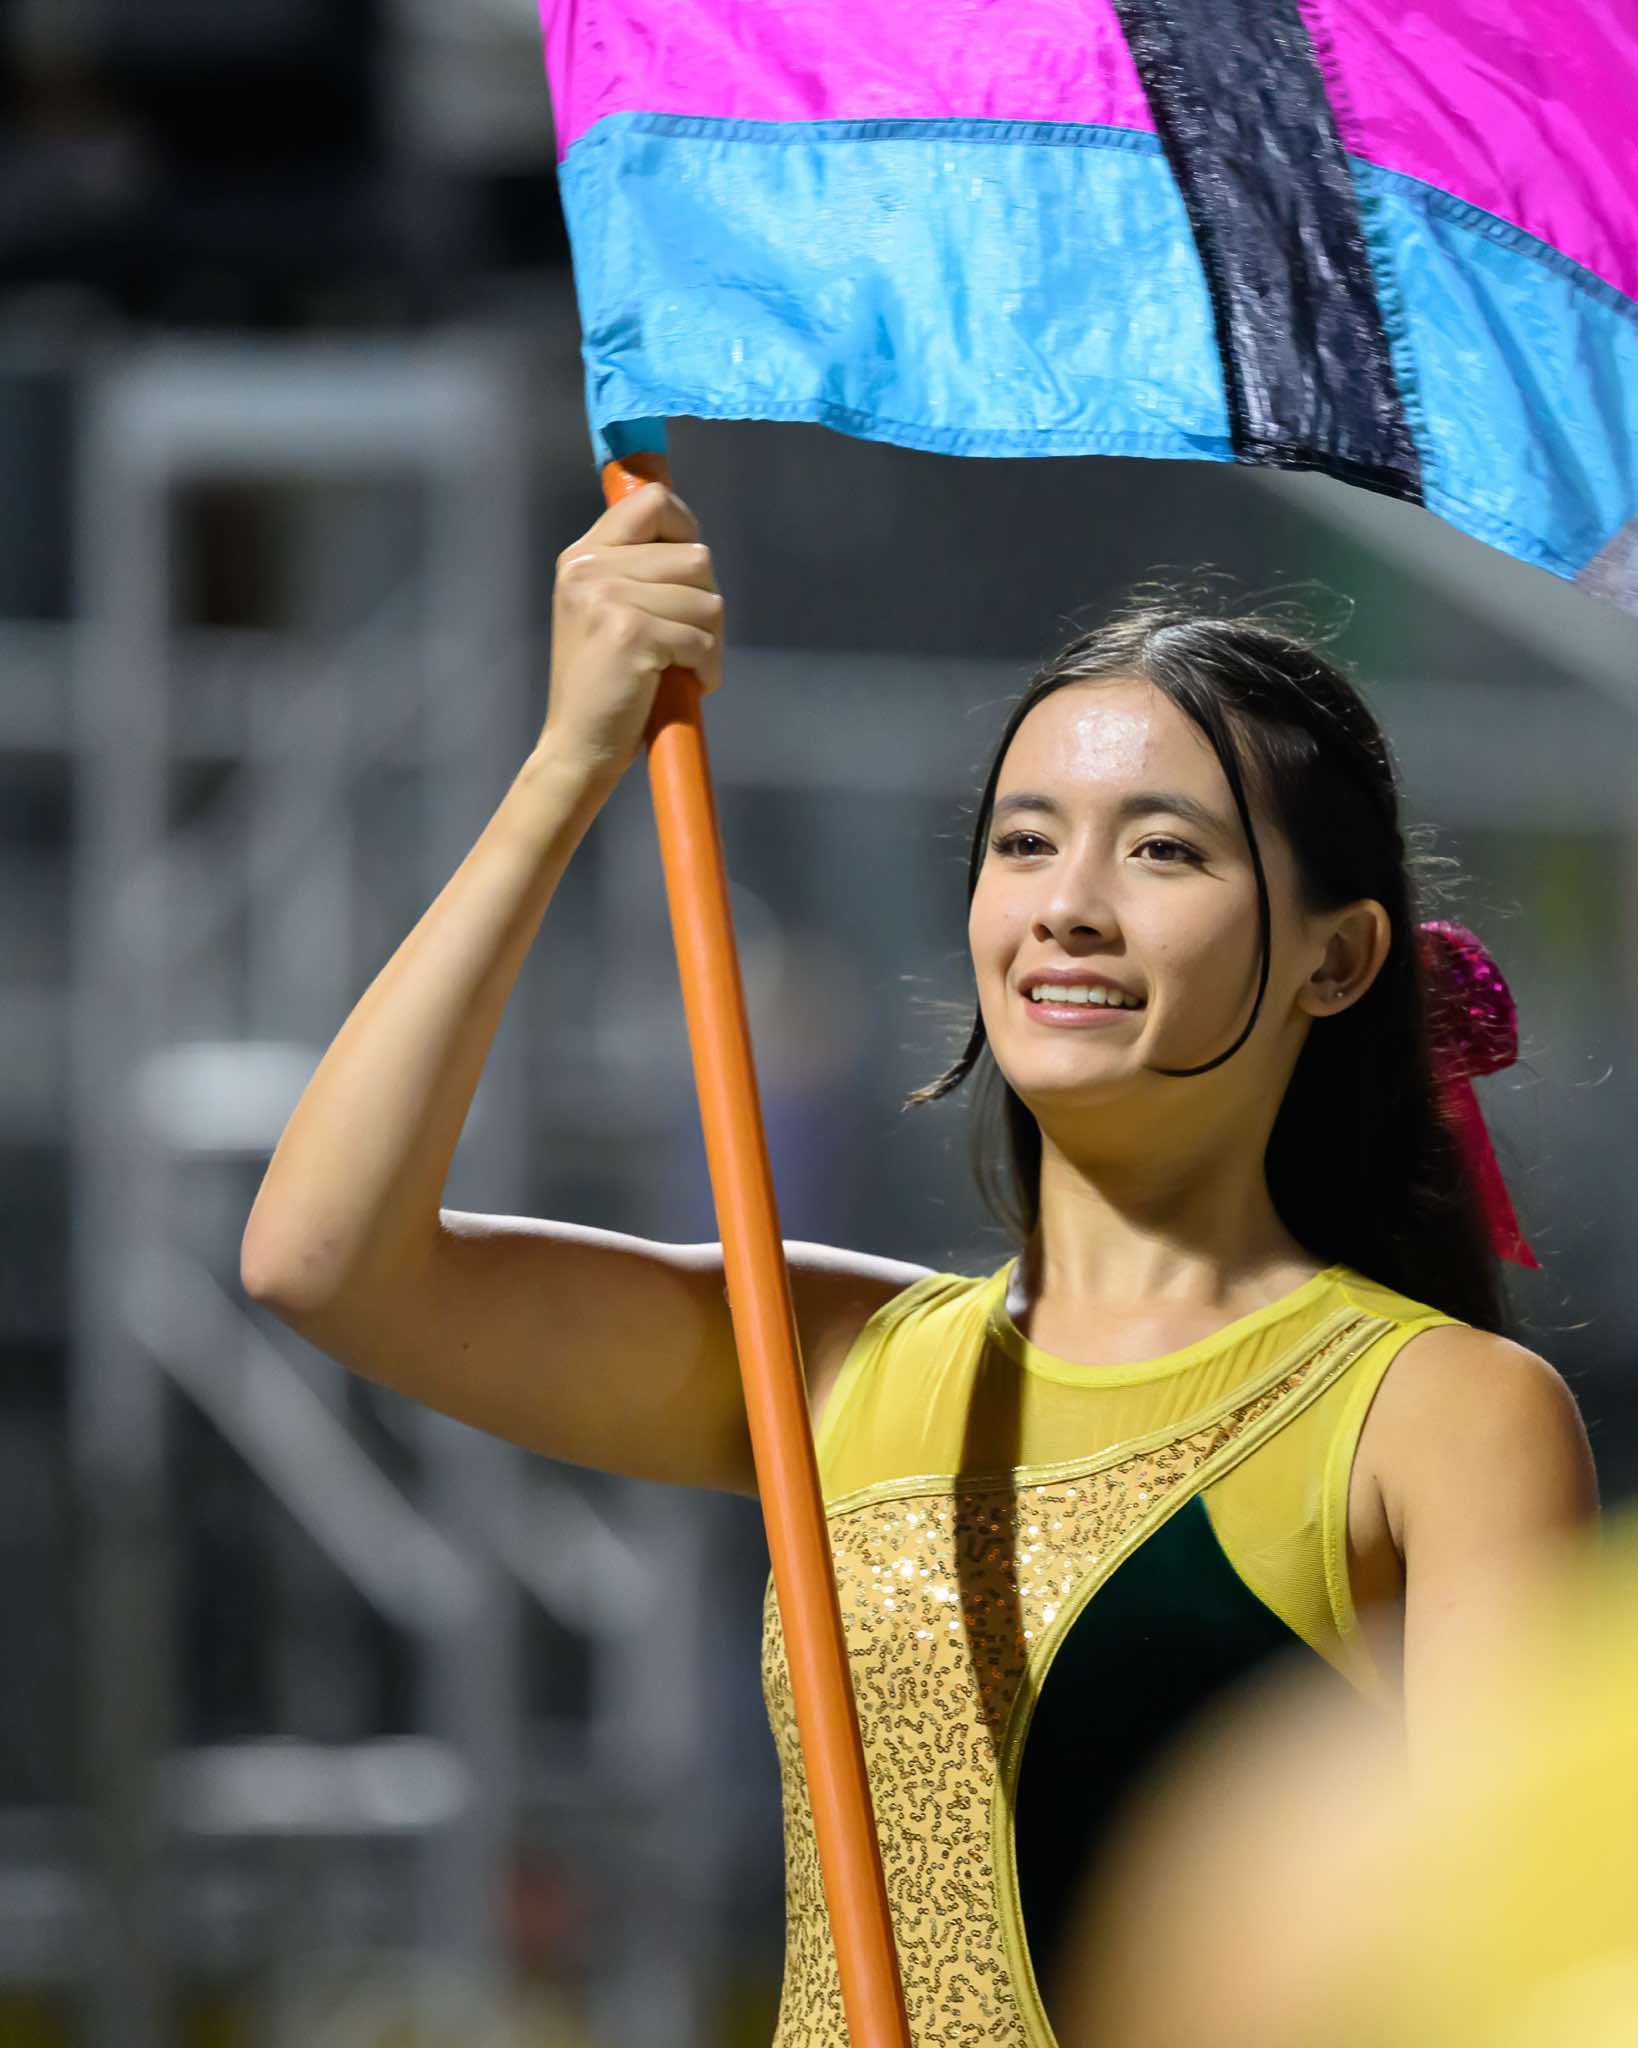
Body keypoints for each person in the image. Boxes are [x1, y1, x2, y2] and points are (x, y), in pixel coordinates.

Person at [240, 480, 1600, 2047]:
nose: (1066, 907)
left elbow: (1509, 1980)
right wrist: (568, 766)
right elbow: (323, 1259)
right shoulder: (828, 1356)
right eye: (1022, 844)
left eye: (1163, 850)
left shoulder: (1442, 1413)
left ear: (1335, 957)